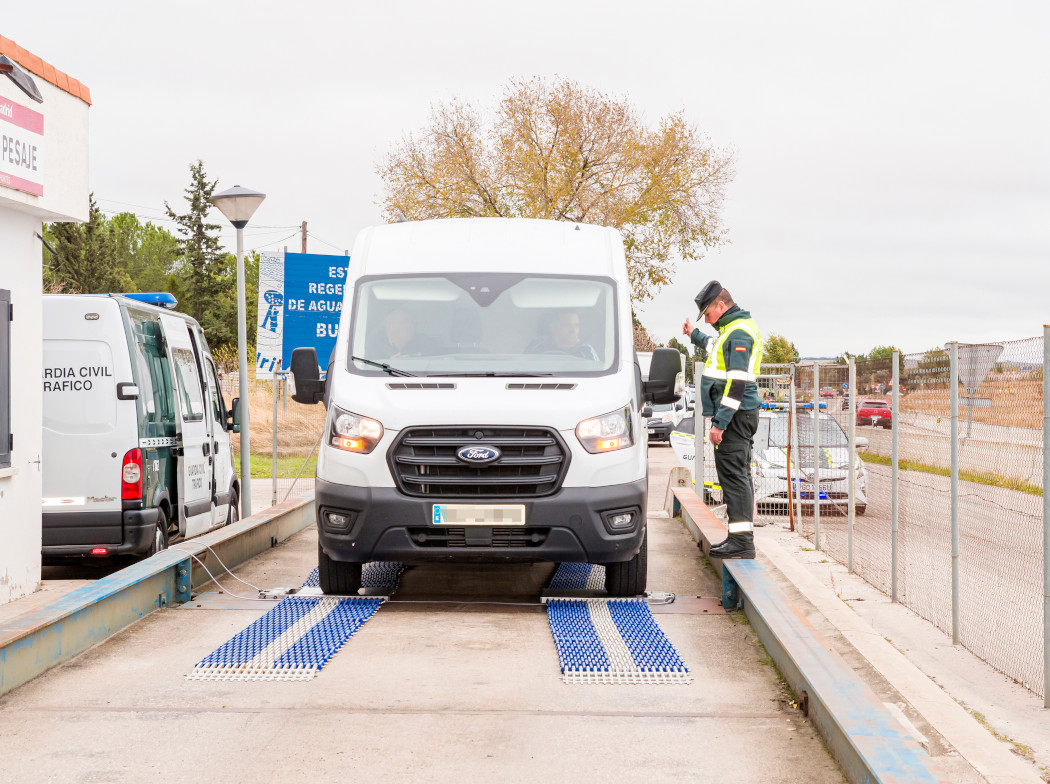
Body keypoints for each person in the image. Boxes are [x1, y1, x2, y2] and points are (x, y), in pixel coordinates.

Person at [683, 280, 763, 559]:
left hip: (735, 417)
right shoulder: (731, 329)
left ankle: (742, 542)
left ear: (721, 305)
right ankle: (740, 538)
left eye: (707, 313)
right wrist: (694, 334)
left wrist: (720, 423)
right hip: (738, 416)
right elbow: (714, 346)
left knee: (733, 475)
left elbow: (737, 384)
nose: (706, 319)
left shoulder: (738, 333)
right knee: (735, 474)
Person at [526, 310, 598, 360]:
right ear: (553, 327)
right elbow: (523, 368)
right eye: (567, 325)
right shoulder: (537, 345)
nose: (573, 330)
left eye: (576, 325)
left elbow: (596, 379)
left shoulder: (586, 351)